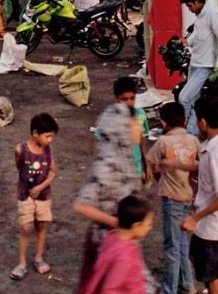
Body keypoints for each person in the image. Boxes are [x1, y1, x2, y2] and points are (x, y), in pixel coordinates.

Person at [73, 86, 143, 289]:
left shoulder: (127, 159)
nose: (139, 127)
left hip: (125, 243)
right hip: (108, 246)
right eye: (135, 123)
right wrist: (117, 222)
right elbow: (81, 205)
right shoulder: (108, 166)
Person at [181, 96, 218, 294]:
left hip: (215, 223)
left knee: (210, 276)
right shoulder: (213, 147)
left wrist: (194, 218)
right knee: (199, 262)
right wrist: (176, 165)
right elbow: (204, 170)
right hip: (208, 222)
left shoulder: (217, 153)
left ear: (203, 122)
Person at [150, 101, 200, 294]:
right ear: (185, 120)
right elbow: (200, 166)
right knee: (181, 243)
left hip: (171, 197)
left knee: (172, 246)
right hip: (187, 194)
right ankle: (188, 284)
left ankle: (169, 289)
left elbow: (151, 164)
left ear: (164, 123)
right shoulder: (193, 141)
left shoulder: (163, 142)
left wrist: (159, 178)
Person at [178, 0, 218, 136]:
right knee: (195, 101)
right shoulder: (200, 17)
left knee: (184, 99)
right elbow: (197, 37)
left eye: (190, 5)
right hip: (195, 63)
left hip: (205, 66)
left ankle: (184, 133)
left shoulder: (211, 15)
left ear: (197, 1)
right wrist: (185, 42)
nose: (189, 9)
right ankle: (194, 131)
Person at [12, 112, 59, 280]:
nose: (50, 140)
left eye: (52, 137)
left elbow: (53, 172)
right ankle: (21, 263)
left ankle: (38, 258)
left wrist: (40, 187)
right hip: (25, 195)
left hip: (43, 196)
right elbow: (20, 168)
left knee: (41, 226)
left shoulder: (48, 151)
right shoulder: (20, 150)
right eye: (47, 136)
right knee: (26, 228)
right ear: (35, 133)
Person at [78, 195, 152, 294]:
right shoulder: (125, 257)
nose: (149, 228)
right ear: (136, 226)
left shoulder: (112, 236)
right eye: (148, 224)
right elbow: (110, 289)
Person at [106, 77, 150, 183]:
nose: (129, 103)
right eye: (124, 99)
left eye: (132, 98)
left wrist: (146, 165)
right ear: (116, 99)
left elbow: (141, 140)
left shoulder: (140, 115)